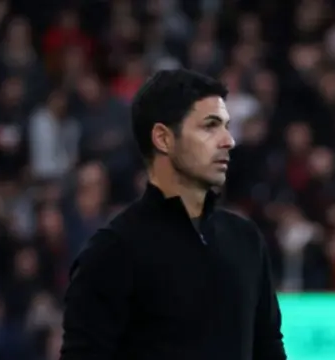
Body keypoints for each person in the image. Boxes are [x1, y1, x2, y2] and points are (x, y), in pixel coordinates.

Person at [60, 69, 286, 360]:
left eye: (227, 126)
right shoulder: (112, 251)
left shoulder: (245, 239)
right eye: (210, 126)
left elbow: (268, 347)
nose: (228, 140)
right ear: (163, 138)